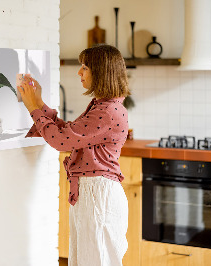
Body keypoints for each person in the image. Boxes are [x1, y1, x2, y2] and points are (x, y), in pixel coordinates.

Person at [18, 44, 130, 266]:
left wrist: (33, 108)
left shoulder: (107, 111)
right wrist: (39, 103)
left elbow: (61, 141)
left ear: (101, 72)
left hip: (98, 195)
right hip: (93, 193)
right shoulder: (103, 106)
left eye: (85, 67)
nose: (79, 72)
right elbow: (69, 133)